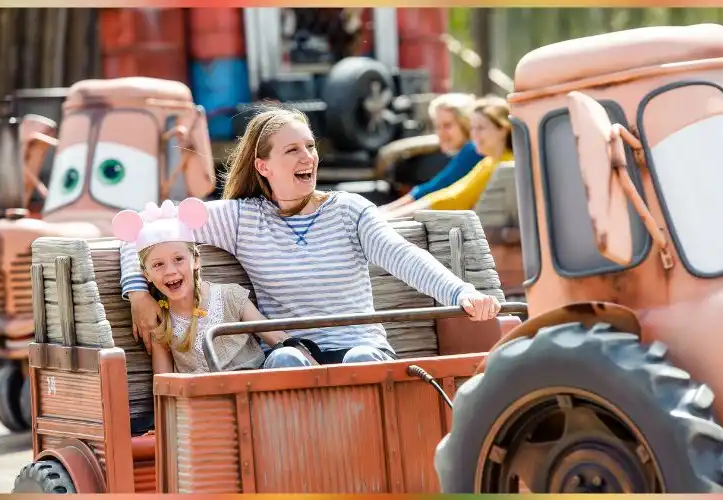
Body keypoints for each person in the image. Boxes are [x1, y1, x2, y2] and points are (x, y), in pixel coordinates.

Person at [120, 105, 501, 369]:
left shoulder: (350, 209)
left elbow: (401, 254)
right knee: (285, 361)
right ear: (263, 166)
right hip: (297, 352)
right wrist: (138, 292)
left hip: (363, 349)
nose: (308, 157)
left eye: (310, 146)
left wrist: (460, 293)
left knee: (360, 362)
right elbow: (143, 226)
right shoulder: (241, 218)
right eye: (293, 150)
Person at [112, 198, 304, 373]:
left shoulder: (231, 296)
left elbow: (278, 339)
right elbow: (163, 383)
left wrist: (318, 369)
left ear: (196, 260)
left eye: (178, 259)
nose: (170, 271)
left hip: (255, 393)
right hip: (208, 404)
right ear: (146, 275)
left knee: (285, 356)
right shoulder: (162, 322)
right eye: (158, 264)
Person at [383, 96, 514, 220]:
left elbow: (453, 197)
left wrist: (386, 216)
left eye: (447, 125)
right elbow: (449, 192)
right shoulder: (488, 161)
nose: (440, 133)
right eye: (473, 128)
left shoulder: (479, 154)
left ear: (503, 129)